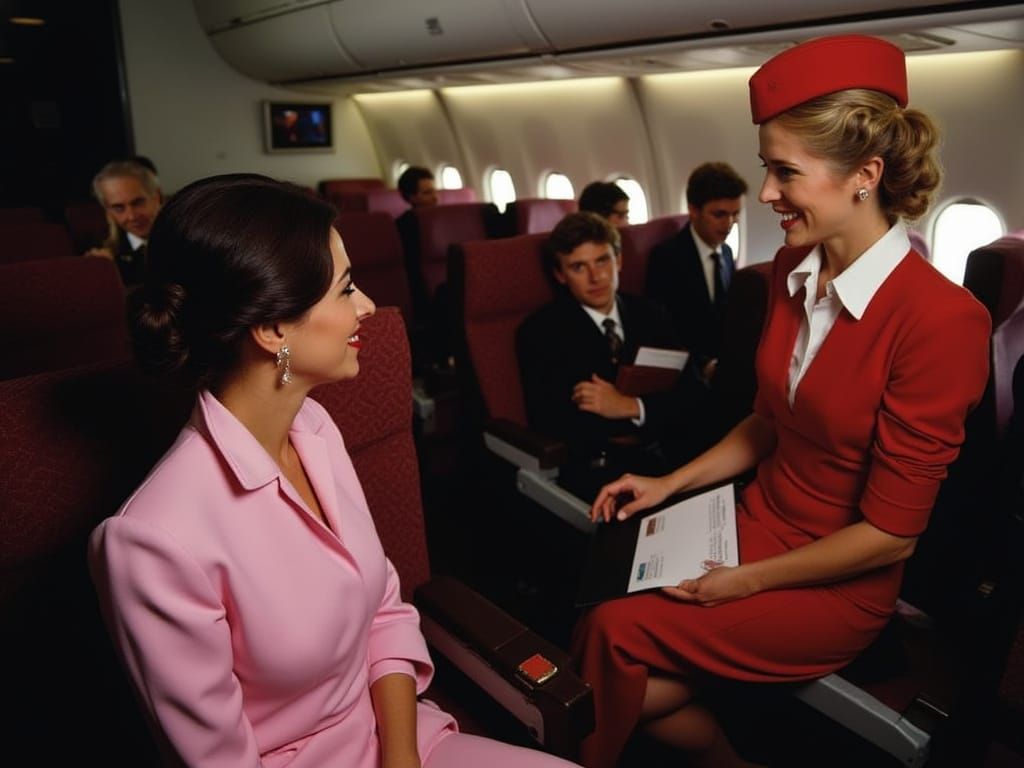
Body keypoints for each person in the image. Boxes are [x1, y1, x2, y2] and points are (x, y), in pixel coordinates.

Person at [574, 35, 991, 768]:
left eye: (784, 172)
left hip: (837, 579)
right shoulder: (792, 268)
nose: (765, 193)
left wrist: (739, 584)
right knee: (607, 643)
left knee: (611, 635)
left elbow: (891, 536)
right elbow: (770, 422)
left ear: (864, 175)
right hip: (755, 521)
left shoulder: (942, 321)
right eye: (767, 167)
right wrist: (668, 483)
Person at [89, 174, 580, 768]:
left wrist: (401, 757)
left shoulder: (314, 429)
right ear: (273, 329)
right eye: (346, 289)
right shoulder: (152, 541)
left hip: (398, 736)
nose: (367, 306)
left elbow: (383, 610)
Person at [517, 211, 706, 498]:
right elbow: (551, 421)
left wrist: (630, 406)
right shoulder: (540, 333)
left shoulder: (651, 313)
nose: (596, 277)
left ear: (618, 260)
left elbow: (694, 394)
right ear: (560, 275)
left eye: (602, 260)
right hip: (600, 468)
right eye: (578, 267)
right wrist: (657, 407)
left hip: (671, 452)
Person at [645, 162, 748, 382]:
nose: (730, 224)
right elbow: (662, 328)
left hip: (723, 362)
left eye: (735, 214)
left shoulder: (727, 253)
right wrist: (701, 365)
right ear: (693, 211)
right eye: (719, 214)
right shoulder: (666, 257)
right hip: (690, 370)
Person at [86, 159, 163, 287]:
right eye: (119, 208)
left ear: (157, 197)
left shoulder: (186, 237)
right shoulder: (102, 252)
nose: (131, 216)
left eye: (138, 203)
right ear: (107, 210)